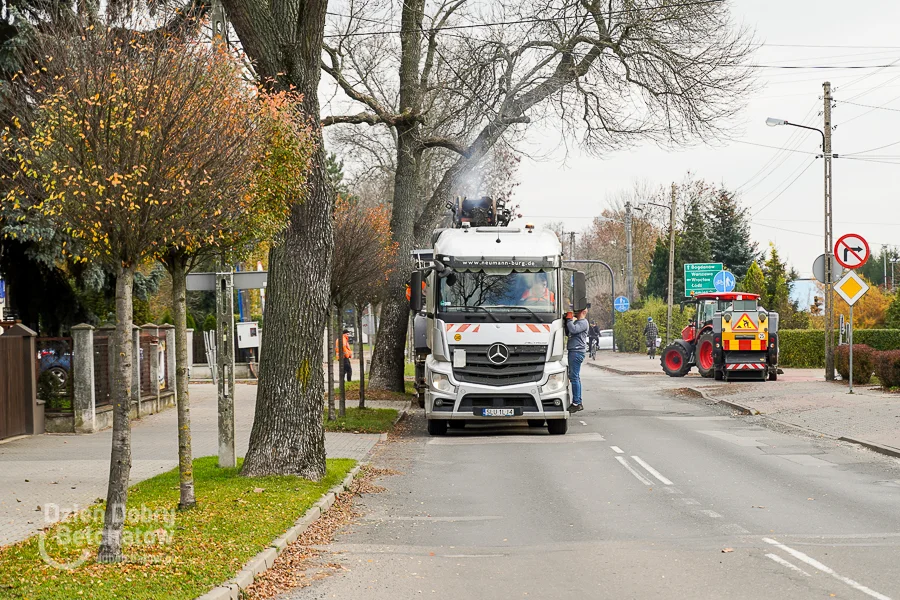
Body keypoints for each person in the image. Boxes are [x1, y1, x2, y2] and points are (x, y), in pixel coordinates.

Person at [566, 307, 589, 412]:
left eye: (578, 311)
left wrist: (569, 319)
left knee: (574, 377)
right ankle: (577, 401)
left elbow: (573, 330)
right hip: (575, 351)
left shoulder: (583, 323)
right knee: (574, 376)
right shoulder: (579, 322)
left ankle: (577, 403)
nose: (575, 312)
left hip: (576, 351)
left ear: (584, 312)